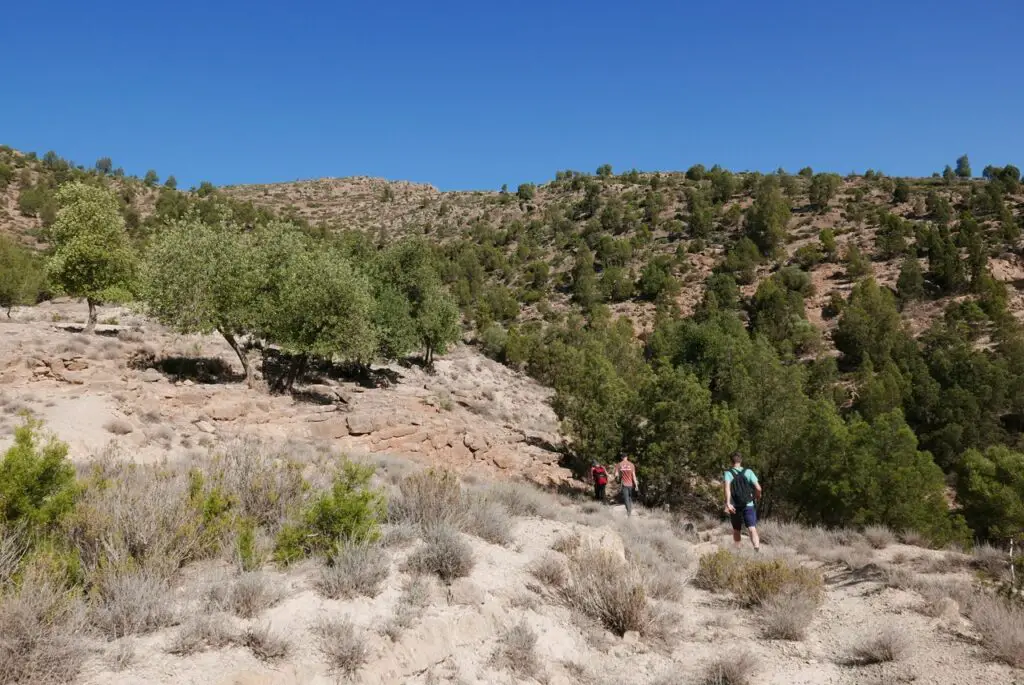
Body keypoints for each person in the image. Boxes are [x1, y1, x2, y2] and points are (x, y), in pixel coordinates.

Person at [723, 452, 761, 551]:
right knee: (752, 528)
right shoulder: (749, 472)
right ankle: (756, 549)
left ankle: (738, 551)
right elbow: (758, 488)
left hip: (735, 505)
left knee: (736, 530)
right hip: (748, 504)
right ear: (741, 460)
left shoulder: (728, 473)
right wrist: (757, 496)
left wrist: (728, 503)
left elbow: (727, 489)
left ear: (731, 461)